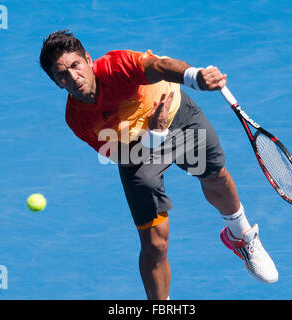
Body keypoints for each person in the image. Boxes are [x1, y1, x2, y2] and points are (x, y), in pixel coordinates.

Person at [39, 30, 278, 300]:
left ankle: (241, 235)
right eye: (62, 74)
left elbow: (160, 66)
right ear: (56, 82)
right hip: (136, 148)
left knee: (215, 177)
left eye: (75, 65)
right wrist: (155, 136)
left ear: (88, 60)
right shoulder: (78, 120)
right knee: (154, 244)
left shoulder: (117, 66)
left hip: (176, 114)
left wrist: (196, 78)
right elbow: (119, 154)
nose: (73, 76)